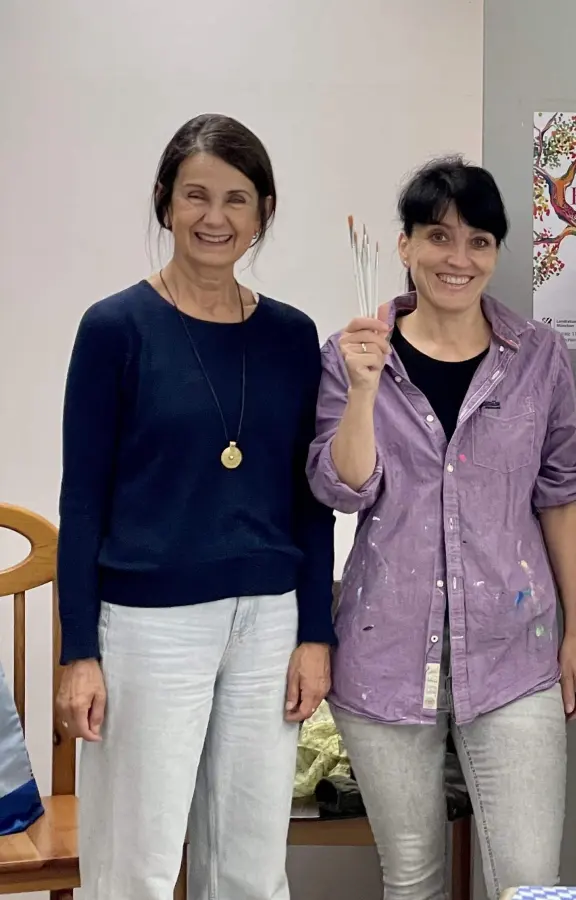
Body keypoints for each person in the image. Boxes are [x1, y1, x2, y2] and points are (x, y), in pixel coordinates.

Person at [54, 114, 334, 900]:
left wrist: (317, 632)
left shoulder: (291, 335)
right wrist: (81, 650)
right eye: (197, 196)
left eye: (237, 199)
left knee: (249, 864)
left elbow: (311, 498)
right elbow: (82, 498)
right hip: (149, 624)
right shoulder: (115, 328)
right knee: (136, 861)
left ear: (264, 213)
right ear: (164, 203)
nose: (216, 217)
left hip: (269, 622)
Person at [307, 157, 576, 897]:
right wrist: (365, 393)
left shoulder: (536, 358)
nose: (456, 259)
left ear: (496, 252)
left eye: (477, 242)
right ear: (404, 246)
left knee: (528, 881)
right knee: (414, 876)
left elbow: (561, 495)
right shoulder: (354, 357)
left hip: (515, 648)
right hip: (385, 651)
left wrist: (574, 633)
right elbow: (344, 487)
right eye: (438, 237)